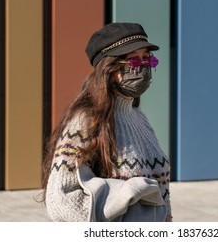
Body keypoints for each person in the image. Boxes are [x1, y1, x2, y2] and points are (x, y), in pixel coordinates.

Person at [40, 22, 172, 222]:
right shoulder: (85, 122)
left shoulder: (139, 119)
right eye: (133, 61)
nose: (143, 68)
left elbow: (162, 196)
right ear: (108, 68)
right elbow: (60, 200)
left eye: (147, 59)